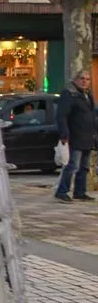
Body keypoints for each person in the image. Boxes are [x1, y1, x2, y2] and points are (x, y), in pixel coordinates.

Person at [55, 70, 95, 203]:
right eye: (82, 78)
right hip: (75, 136)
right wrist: (64, 134)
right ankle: (62, 191)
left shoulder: (88, 95)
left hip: (88, 136)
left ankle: (80, 192)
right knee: (72, 165)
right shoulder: (69, 94)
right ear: (76, 79)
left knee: (84, 166)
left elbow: (91, 115)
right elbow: (62, 115)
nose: (84, 81)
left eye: (87, 79)